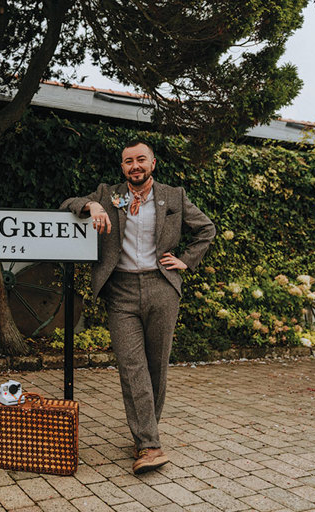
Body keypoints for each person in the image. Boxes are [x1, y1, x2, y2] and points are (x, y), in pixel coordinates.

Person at [61, 140, 215, 474]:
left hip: (162, 288)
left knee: (156, 367)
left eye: (141, 160)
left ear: (153, 163)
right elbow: (67, 204)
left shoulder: (173, 196)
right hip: (120, 290)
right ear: (122, 167)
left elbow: (206, 229)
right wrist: (91, 207)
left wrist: (186, 260)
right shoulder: (108, 193)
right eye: (128, 161)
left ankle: (145, 434)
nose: (135, 166)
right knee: (132, 367)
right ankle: (149, 445)